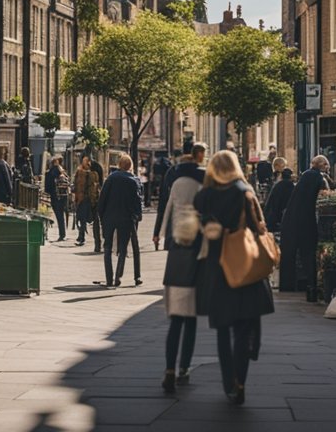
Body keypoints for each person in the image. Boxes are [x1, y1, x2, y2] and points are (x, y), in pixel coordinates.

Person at [193, 150, 275, 405]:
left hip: (218, 270)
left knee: (222, 328)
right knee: (243, 328)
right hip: (245, 265)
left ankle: (228, 382)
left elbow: (198, 230)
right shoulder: (244, 192)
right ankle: (240, 381)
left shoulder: (205, 196)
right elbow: (260, 226)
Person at [155, 142, 205, 394]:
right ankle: (184, 366)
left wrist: (161, 234)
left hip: (176, 252)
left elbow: (167, 212)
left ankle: (169, 370)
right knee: (191, 318)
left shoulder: (176, 183)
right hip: (196, 254)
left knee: (175, 318)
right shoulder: (202, 183)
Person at [279, 154, 329, 298]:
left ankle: (287, 286)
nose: (327, 168)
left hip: (291, 220)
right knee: (308, 254)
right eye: (326, 165)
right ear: (321, 165)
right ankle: (311, 287)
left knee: (289, 254)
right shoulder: (319, 178)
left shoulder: (305, 177)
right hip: (307, 221)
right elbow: (323, 199)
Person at [97, 154, 143, 287]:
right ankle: (118, 277)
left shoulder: (111, 179)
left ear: (119, 165)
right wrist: (137, 216)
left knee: (107, 247)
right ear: (131, 166)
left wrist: (101, 215)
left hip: (109, 217)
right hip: (126, 219)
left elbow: (102, 198)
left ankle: (109, 278)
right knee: (123, 249)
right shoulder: (134, 181)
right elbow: (137, 201)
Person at [72, 155, 103, 251]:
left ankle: (84, 238)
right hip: (88, 199)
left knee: (83, 218)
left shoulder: (86, 173)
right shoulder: (84, 172)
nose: (83, 162)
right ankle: (88, 240)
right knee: (84, 219)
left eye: (85, 161)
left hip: (88, 200)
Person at [262, 158, 294, 231]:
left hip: (271, 214)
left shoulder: (279, 183)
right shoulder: (286, 184)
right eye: (283, 165)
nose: (284, 167)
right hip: (276, 215)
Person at [44, 155, 69, 241]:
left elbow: (46, 188)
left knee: (58, 216)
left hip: (54, 197)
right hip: (62, 197)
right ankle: (62, 234)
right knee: (61, 216)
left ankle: (59, 234)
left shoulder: (49, 173)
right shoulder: (63, 173)